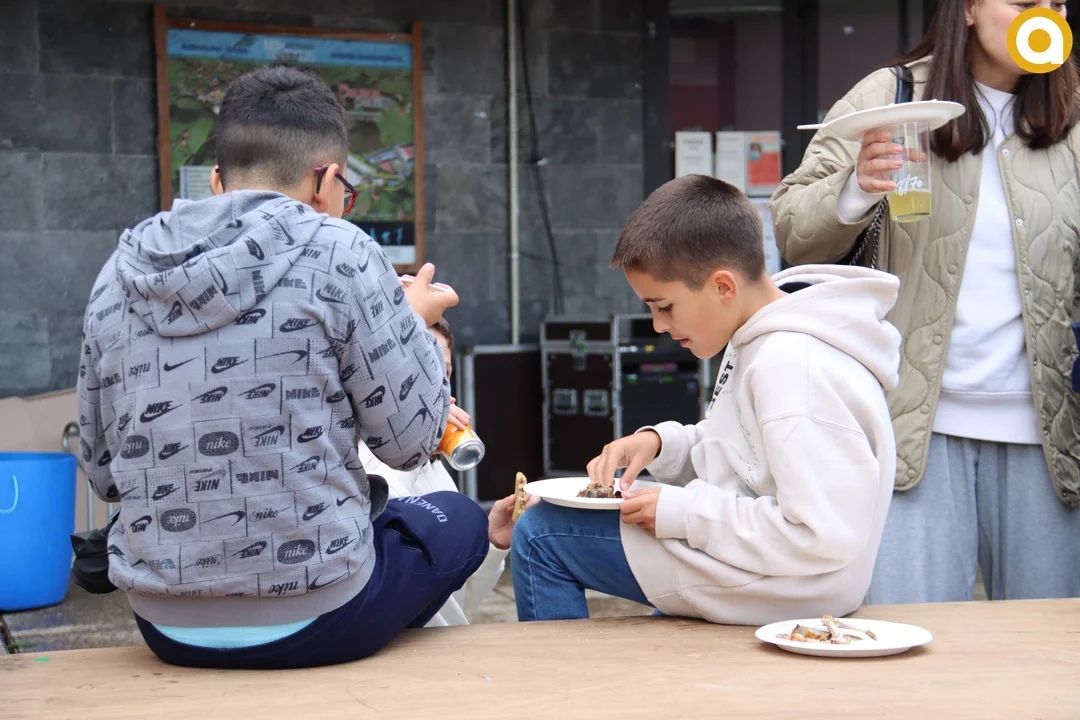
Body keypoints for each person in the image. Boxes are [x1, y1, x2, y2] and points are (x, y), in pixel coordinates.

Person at [75, 63, 491, 669]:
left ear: (218, 180)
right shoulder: (343, 252)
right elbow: (411, 443)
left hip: (165, 624)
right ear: (326, 179)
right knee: (458, 519)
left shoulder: (118, 273)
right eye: (345, 190)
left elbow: (104, 475)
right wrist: (409, 326)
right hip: (321, 618)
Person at [770, 0, 1080, 604]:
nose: (1043, 17)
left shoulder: (1072, 113)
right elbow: (792, 228)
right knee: (914, 639)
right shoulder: (890, 97)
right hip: (911, 429)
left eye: (1057, 3)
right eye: (1023, 3)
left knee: (1048, 646)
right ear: (969, 9)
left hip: (1051, 442)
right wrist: (855, 187)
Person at [512, 175, 902, 625]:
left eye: (665, 306)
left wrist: (683, 513)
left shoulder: (793, 365)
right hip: (763, 567)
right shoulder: (760, 335)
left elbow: (823, 534)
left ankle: (559, 675)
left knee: (540, 535)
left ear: (723, 287)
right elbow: (747, 455)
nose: (658, 325)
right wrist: (662, 446)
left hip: (789, 587)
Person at [359, 319, 535, 626]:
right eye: (420, 370)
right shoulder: (363, 469)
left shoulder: (434, 469)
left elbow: (458, 601)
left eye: (444, 373)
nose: (438, 388)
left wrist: (493, 544)